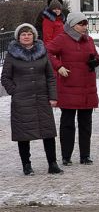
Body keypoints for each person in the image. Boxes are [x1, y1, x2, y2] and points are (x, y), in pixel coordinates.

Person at [1, 23, 63, 176]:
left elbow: (50, 76)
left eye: (29, 33)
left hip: (42, 98)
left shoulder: (43, 52)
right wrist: (15, 92)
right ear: (18, 37)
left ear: (34, 36)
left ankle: (52, 164)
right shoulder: (11, 55)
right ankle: (27, 165)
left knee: (48, 132)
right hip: (22, 101)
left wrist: (53, 96)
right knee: (24, 134)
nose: (26, 36)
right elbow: (5, 78)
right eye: (23, 34)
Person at [46, 12, 99, 166]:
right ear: (71, 25)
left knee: (85, 124)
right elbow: (47, 52)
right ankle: (66, 156)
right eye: (80, 24)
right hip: (69, 86)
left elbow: (96, 55)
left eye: (85, 24)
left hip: (86, 87)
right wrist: (59, 66)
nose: (84, 27)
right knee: (68, 124)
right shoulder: (62, 39)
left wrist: (94, 61)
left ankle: (85, 155)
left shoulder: (89, 40)